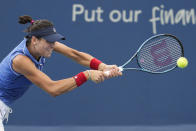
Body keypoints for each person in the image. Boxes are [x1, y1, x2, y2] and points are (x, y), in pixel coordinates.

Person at [0, 15, 122, 130]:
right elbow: (53, 88)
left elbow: (75, 55)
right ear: (34, 40)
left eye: (54, 41)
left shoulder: (40, 45)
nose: (53, 45)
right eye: (49, 41)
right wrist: (87, 75)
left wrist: (103, 66)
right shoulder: (20, 60)